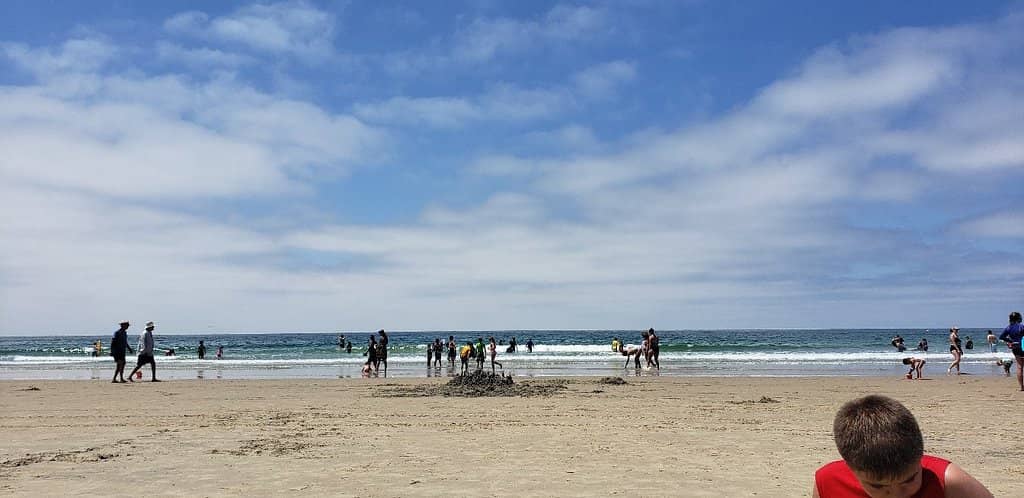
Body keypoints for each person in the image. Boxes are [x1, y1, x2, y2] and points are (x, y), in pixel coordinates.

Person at [812, 395, 992, 498]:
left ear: (919, 457)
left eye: (909, 481)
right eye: (878, 487)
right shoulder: (828, 481)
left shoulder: (948, 481)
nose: (897, 496)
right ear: (850, 467)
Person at [998, 311, 1024, 391]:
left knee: (1019, 367)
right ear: (1019, 318)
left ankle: (1021, 387)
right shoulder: (1021, 326)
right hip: (1023, 346)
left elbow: (1001, 337)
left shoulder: (1008, 327)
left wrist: (1010, 341)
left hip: (1015, 347)